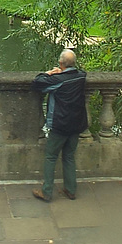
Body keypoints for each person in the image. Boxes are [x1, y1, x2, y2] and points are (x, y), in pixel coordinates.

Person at [31, 49, 88, 202]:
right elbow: (77, 73)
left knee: (51, 156)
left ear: (61, 63)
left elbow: (37, 82)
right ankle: (71, 190)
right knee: (69, 156)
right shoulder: (81, 76)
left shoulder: (59, 80)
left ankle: (47, 192)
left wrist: (50, 73)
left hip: (61, 124)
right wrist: (60, 72)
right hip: (76, 124)